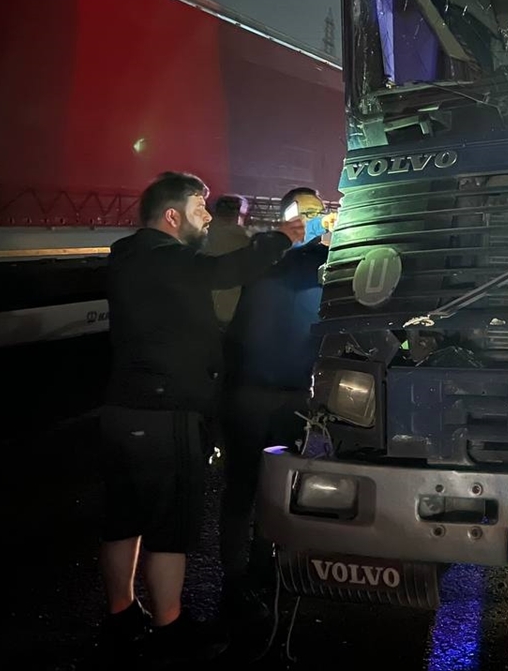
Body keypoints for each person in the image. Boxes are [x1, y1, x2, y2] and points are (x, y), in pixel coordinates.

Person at [96, 172, 304, 664]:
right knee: (170, 528)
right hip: (165, 413)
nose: (207, 217)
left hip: (122, 410)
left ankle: (121, 617)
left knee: (122, 521)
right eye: (198, 208)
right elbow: (227, 271)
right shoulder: (167, 260)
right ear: (172, 216)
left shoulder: (127, 256)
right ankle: (171, 629)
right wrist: (284, 237)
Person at [218, 187, 335, 625]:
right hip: (253, 393)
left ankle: (263, 568)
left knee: (275, 490)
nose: (311, 219)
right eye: (303, 212)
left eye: (316, 212)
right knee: (244, 488)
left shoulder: (311, 262)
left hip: (290, 396)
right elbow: (296, 264)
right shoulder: (270, 257)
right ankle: (236, 579)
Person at [205, 194, 252, 328]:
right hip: (229, 317)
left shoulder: (199, 236)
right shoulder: (246, 243)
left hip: (197, 315)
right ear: (240, 215)